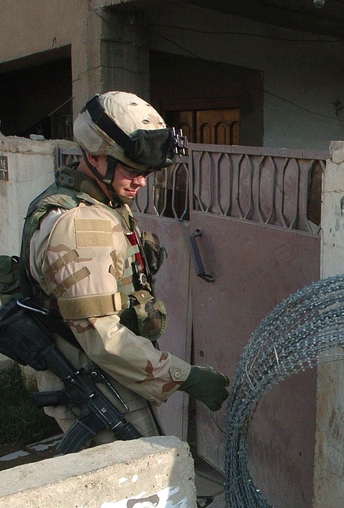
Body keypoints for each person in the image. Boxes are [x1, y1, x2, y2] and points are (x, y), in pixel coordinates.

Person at [21, 91, 229, 446]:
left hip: (108, 378)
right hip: (93, 384)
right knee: (141, 492)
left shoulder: (101, 202)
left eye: (145, 172)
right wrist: (184, 376)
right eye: (132, 170)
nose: (141, 182)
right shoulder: (82, 224)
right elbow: (102, 337)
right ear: (94, 155)